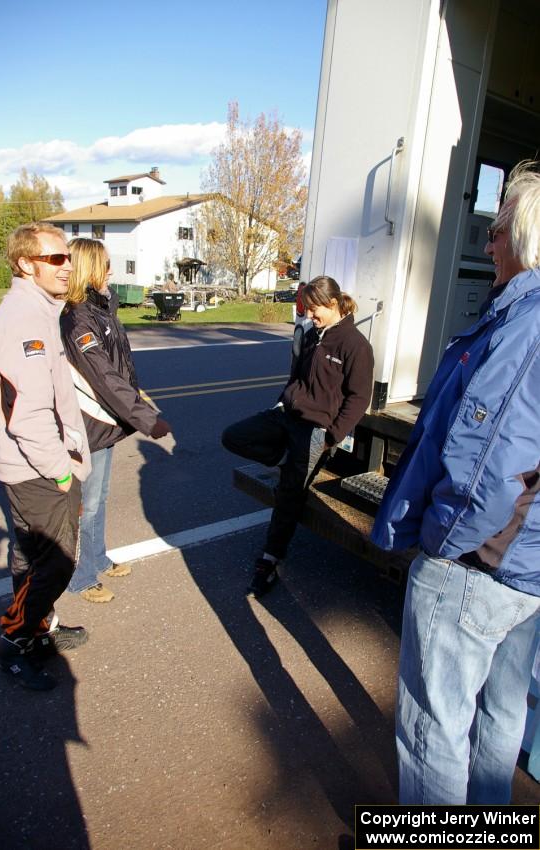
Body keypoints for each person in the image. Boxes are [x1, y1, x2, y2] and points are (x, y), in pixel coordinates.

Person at [371, 160, 540, 804]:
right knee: (501, 712)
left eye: (497, 230)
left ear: (524, 236)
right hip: (524, 562)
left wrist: (445, 545)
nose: (488, 243)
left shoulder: (526, 322)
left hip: (480, 564)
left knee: (433, 724)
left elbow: (486, 460)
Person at [0, 222, 92, 691]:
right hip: (38, 469)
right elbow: (26, 413)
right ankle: (12, 641)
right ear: (26, 264)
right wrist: (60, 471)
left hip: (34, 466)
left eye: (67, 257)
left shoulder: (38, 310)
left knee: (32, 559)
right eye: (55, 259)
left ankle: (37, 630)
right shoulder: (24, 318)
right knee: (57, 561)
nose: (66, 266)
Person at [222, 275, 374, 596]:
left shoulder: (355, 345)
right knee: (233, 436)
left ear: (333, 305)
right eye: (307, 310)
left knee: (289, 494)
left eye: (315, 309)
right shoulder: (311, 335)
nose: (309, 316)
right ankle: (283, 457)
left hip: (317, 430)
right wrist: (282, 400)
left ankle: (270, 558)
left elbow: (359, 398)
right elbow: (296, 378)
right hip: (286, 416)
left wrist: (331, 437)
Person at [60, 238, 173, 602]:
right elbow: (104, 377)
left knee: (101, 497)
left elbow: (120, 369)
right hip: (87, 423)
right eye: (105, 264)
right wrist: (146, 418)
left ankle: (97, 557)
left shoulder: (102, 309)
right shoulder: (78, 318)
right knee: (85, 505)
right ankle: (80, 576)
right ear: (89, 269)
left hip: (106, 420)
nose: (111, 271)